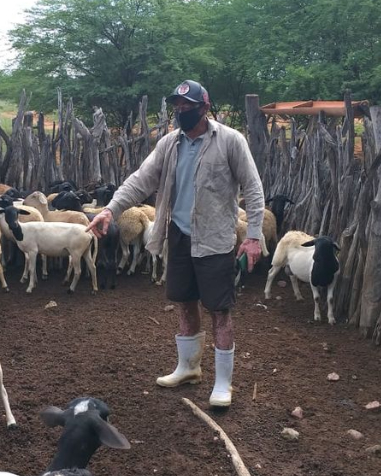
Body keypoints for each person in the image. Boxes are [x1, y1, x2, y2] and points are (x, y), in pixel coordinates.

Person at [86, 80, 264, 407]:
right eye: (178, 106)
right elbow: (141, 179)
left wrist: (253, 236)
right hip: (180, 235)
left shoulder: (230, 141)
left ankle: (223, 383)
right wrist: (111, 209)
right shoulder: (170, 143)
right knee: (183, 301)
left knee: (219, 310)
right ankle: (188, 367)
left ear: (204, 108)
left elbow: (253, 188)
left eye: (187, 106)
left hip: (215, 238)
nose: (181, 111)